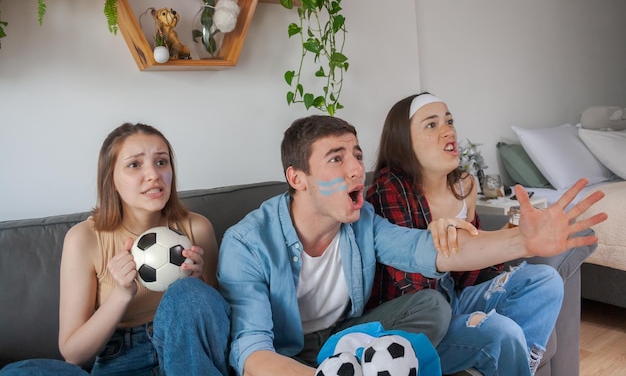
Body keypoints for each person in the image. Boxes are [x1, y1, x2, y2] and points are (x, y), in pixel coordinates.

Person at [216, 114, 606, 376]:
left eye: (356, 154)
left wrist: (522, 240)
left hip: (351, 337)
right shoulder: (247, 243)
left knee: (447, 312)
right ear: (297, 178)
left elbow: (430, 252)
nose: (355, 169)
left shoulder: (362, 220)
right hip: (295, 357)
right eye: (336, 159)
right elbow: (251, 351)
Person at [364, 92, 578, 376]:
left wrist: (511, 234)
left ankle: (517, 362)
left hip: (455, 297)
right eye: (432, 124)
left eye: (449, 120)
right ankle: (494, 355)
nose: (448, 130)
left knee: (546, 280)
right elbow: (411, 286)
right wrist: (443, 237)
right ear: (404, 141)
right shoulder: (389, 188)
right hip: (419, 315)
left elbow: (472, 273)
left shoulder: (464, 184)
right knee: (501, 330)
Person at [1, 123, 231, 376]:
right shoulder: (84, 239)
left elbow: (221, 326)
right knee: (21, 372)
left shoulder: (196, 228)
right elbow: (73, 354)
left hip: (186, 357)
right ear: (111, 178)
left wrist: (199, 285)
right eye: (135, 165)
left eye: (161, 162)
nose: (153, 174)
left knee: (188, 292)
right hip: (120, 359)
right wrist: (121, 294)